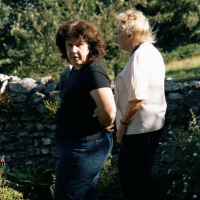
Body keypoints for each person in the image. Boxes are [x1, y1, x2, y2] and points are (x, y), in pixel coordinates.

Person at [54, 20, 116, 200]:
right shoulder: (76, 70)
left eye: (79, 45)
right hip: (79, 148)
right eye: (69, 45)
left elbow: (109, 111)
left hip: (84, 149)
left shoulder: (93, 71)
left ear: (90, 46)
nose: (73, 50)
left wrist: (100, 124)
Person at [114, 8, 167, 200]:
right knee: (141, 178)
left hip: (138, 129)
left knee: (131, 179)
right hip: (150, 126)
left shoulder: (139, 57)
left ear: (130, 35)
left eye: (118, 33)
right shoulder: (151, 51)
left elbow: (137, 98)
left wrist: (122, 127)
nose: (116, 37)